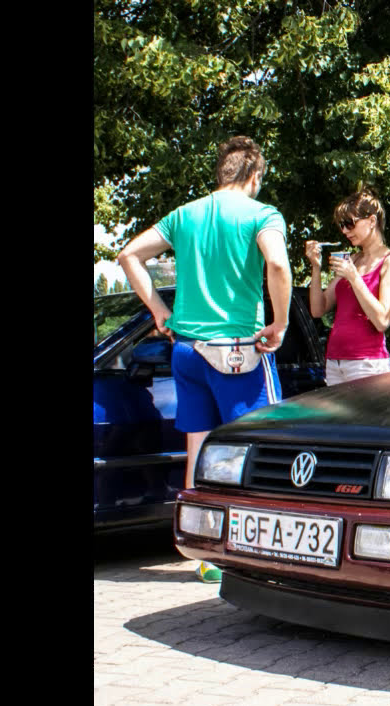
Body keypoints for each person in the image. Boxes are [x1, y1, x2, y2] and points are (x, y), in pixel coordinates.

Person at [118, 136, 291, 584]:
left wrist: (159, 311)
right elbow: (277, 264)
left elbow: (129, 255)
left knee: (198, 447)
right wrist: (280, 322)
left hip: (187, 350)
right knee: (258, 446)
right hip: (238, 350)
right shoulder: (261, 214)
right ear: (254, 175)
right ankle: (255, 553)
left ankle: (206, 553)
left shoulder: (184, 215)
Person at [304, 189, 390, 385]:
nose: (344, 231)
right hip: (335, 361)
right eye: (342, 225)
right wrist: (315, 266)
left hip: (367, 362)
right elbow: (318, 309)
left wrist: (353, 277)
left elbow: (382, 320)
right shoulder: (352, 260)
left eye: (350, 224)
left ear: (372, 221)